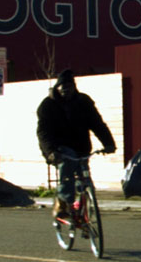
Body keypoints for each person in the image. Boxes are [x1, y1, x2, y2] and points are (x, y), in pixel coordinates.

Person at [37, 69, 116, 218]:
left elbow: (97, 124)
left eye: (69, 87)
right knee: (67, 168)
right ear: (57, 88)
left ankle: (84, 213)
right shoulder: (48, 105)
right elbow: (43, 132)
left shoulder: (83, 101)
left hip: (82, 147)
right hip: (59, 148)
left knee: (84, 181)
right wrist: (50, 152)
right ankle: (63, 203)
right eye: (63, 87)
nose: (66, 90)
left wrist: (109, 144)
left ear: (74, 87)